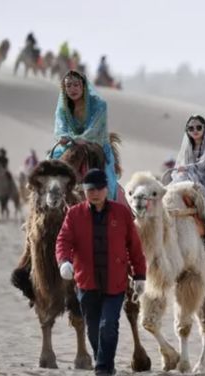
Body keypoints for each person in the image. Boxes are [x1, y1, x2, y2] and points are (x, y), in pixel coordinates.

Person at [56, 169, 146, 376]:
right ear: (84, 191)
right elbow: (63, 241)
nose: (94, 193)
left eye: (98, 189)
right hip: (86, 283)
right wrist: (64, 262)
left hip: (115, 283)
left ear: (106, 189)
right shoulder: (74, 214)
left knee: (109, 326)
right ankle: (104, 362)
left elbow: (134, 246)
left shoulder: (121, 213)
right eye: (90, 190)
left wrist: (140, 275)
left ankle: (103, 369)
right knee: (93, 329)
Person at [52, 70, 119, 200]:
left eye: (76, 85)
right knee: (50, 168)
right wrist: (63, 136)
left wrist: (82, 138)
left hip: (96, 145)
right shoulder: (63, 108)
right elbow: (60, 126)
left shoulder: (99, 105)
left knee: (109, 185)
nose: (73, 89)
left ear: (84, 86)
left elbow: (95, 128)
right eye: (69, 85)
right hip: (71, 144)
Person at [171, 114, 205, 254]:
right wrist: (180, 175)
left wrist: (187, 168)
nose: (195, 130)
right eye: (191, 128)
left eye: (198, 127)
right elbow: (180, 166)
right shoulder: (187, 148)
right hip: (189, 183)